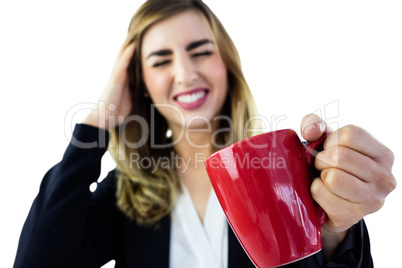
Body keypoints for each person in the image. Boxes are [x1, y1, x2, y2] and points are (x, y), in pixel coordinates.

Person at [14, 0, 396, 267]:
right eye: (161, 60)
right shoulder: (127, 192)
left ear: (226, 66)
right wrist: (100, 118)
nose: (185, 73)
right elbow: (38, 261)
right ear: (140, 85)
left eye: (200, 51)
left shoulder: (280, 170)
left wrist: (335, 232)